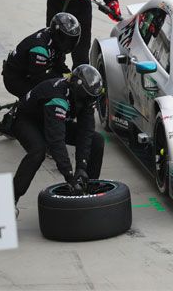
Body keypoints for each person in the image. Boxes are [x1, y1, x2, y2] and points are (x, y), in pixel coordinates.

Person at [12, 64, 105, 205]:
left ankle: (87, 188)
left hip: (52, 120)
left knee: (96, 140)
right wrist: (69, 175)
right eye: (86, 97)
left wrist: (81, 168)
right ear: (76, 87)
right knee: (38, 151)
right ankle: (12, 197)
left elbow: (86, 133)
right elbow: (56, 140)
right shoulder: (57, 97)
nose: (88, 101)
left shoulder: (86, 99)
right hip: (26, 121)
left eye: (91, 98)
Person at [0, 13, 81, 139]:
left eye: (72, 40)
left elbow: (59, 65)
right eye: (67, 39)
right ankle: (12, 122)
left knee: (57, 84)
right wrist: (63, 82)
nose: (69, 43)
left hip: (30, 74)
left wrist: (72, 77)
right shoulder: (40, 47)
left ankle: (11, 122)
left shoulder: (56, 41)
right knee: (46, 97)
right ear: (58, 34)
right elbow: (39, 80)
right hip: (15, 78)